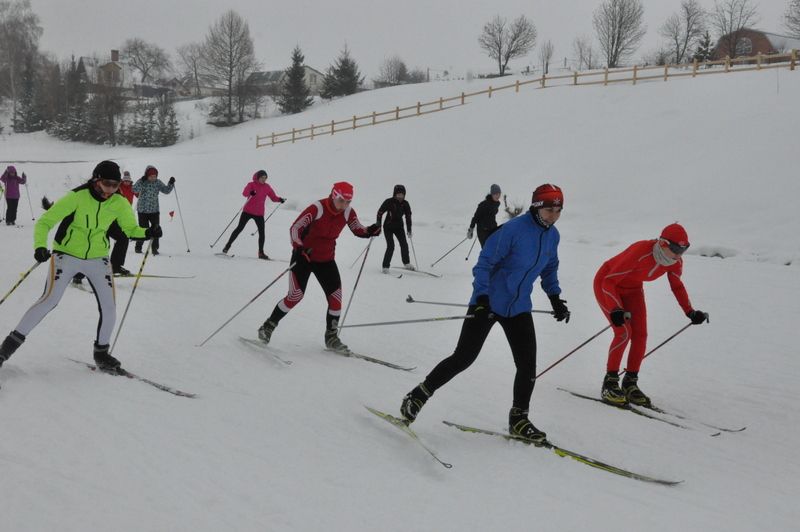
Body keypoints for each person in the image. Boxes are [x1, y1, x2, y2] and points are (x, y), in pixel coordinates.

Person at [400, 184, 571, 443]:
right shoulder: (512, 230)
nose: (554, 215)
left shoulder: (553, 235)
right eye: (549, 210)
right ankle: (418, 395)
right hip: (489, 302)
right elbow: (484, 264)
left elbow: (550, 268)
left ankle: (519, 418)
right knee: (463, 357)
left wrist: (555, 297)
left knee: (527, 365)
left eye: (558, 211)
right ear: (537, 208)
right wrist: (481, 297)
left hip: (519, 307)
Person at [0, 161, 160, 376]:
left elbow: (130, 229)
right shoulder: (77, 197)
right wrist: (39, 246)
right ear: (96, 179)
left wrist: (148, 233)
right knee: (49, 301)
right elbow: (45, 222)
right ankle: (4, 351)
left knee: (109, 307)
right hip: (66, 255)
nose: (111, 189)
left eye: (116, 184)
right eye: (107, 183)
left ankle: (101, 353)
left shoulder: (119, 202)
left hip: (97, 258)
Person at [594, 223, 709, 407]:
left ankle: (630, 383)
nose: (679, 254)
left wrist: (690, 312)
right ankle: (610, 383)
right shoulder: (641, 251)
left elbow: (677, 286)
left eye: (684, 249)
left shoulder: (674, 262)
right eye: (676, 249)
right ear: (663, 244)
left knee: (640, 335)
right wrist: (616, 308)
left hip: (633, 289)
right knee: (623, 332)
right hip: (608, 284)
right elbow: (609, 281)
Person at [257, 182, 381, 352]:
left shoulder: (347, 212)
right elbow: (295, 228)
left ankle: (331, 336)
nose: (343, 205)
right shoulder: (318, 208)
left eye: (348, 202)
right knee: (295, 296)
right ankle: (268, 325)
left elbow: (357, 229)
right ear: (333, 195)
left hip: (326, 259)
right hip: (304, 257)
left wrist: (369, 231)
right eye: (341, 201)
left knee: (336, 298)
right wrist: (298, 246)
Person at [222, 169, 285, 259]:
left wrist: (280, 199)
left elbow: (273, 197)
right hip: (247, 211)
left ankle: (261, 253)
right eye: (262, 178)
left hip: (259, 214)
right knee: (239, 228)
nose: (264, 180)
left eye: (265, 178)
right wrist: (250, 192)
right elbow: (244, 193)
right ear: (257, 177)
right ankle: (227, 246)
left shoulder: (267, 187)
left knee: (262, 233)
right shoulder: (251, 184)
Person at [132, 165, 174, 255]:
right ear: (147, 175)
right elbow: (134, 189)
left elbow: (166, 191)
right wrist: (140, 181)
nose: (153, 178)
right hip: (142, 211)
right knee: (143, 230)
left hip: (154, 211)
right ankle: (138, 247)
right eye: (151, 176)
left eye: (155, 176)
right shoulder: (142, 182)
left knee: (156, 229)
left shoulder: (157, 183)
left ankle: (154, 248)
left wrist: (170, 183)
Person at [376, 184, 413, 273]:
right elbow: (380, 213)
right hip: (388, 227)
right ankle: (385, 266)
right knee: (391, 246)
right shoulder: (389, 202)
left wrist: (409, 229)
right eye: (398, 194)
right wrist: (378, 225)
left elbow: (408, 217)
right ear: (394, 194)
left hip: (399, 227)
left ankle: (406, 263)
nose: (400, 196)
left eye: (402, 195)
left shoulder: (405, 204)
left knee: (404, 244)